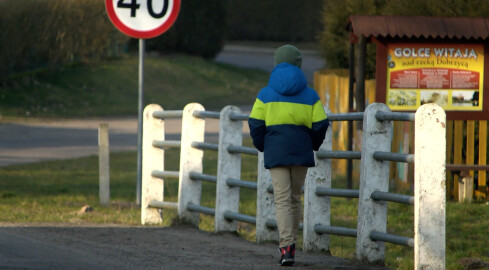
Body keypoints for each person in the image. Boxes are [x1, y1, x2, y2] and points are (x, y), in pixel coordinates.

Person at [248, 44, 329, 266]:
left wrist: (263, 145)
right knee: (294, 198)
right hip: (301, 150)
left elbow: (255, 123)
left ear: (277, 63)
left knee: (282, 199)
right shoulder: (311, 94)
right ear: (298, 65)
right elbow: (321, 123)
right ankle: (291, 244)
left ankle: (287, 247)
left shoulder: (265, 94)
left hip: (276, 150)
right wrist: (312, 143)